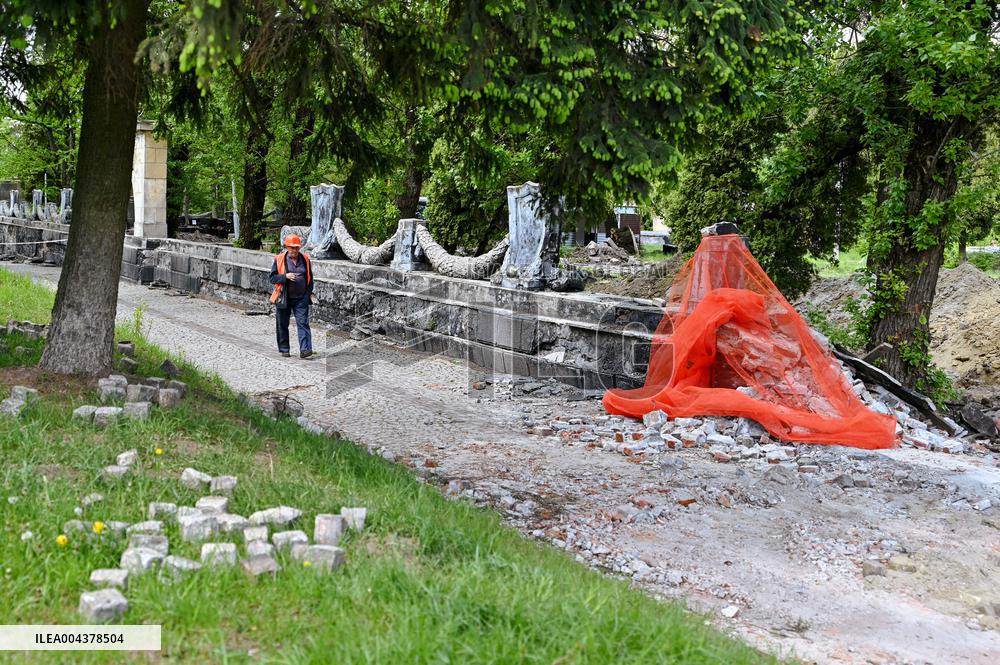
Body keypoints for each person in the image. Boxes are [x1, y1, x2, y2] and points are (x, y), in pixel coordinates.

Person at [269, 234, 315, 358]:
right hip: (284, 297)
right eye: (292, 247)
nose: (295, 250)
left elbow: (310, 278)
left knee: (303, 323)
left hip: (301, 298)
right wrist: (285, 276)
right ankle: (284, 349)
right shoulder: (279, 259)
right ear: (287, 247)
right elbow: (272, 278)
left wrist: (308, 293)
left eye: (297, 247)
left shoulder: (305, 259)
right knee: (282, 324)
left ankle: (305, 350)